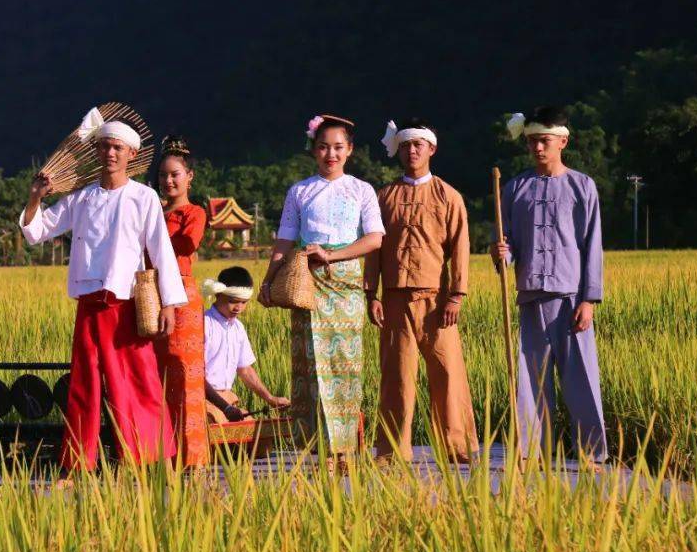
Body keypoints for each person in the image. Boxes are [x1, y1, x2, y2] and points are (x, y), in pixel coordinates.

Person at [19, 110, 186, 473]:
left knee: (137, 381)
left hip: (125, 305)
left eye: (117, 148)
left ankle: (148, 458)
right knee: (85, 385)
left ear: (131, 154)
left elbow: (161, 251)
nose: (110, 153)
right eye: (104, 146)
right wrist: (35, 197)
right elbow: (37, 231)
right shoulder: (81, 199)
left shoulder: (143, 197)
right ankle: (78, 464)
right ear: (95, 151)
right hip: (89, 304)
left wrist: (170, 303)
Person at [257, 115, 384, 471]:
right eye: (324, 147)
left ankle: (344, 450)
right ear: (313, 150)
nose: (331, 154)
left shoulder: (361, 190)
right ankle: (321, 451)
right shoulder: (299, 191)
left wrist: (333, 256)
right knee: (311, 367)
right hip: (307, 282)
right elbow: (284, 241)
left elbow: (374, 239)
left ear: (350, 150)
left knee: (344, 366)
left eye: (338, 147)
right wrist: (268, 281)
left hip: (345, 283)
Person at [491, 106, 607, 466]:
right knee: (531, 381)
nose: (538, 148)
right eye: (532, 142)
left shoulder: (582, 186)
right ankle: (532, 453)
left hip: (571, 298)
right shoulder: (514, 188)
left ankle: (592, 454)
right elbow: (508, 244)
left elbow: (592, 245)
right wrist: (502, 253)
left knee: (581, 379)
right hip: (530, 297)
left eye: (544, 141)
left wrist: (589, 300)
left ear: (562, 142)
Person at [363, 118, 478, 464]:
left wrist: (456, 295)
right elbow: (374, 249)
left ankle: (457, 446)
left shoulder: (448, 196)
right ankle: (392, 451)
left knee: (448, 372)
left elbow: (460, 248)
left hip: (437, 300)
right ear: (398, 150)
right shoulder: (384, 197)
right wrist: (371, 294)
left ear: (432, 149)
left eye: (418, 145)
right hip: (394, 299)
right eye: (406, 146)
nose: (412, 151)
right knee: (396, 376)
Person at [154, 135, 211, 468]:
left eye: (175, 174)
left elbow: (188, 244)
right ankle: (163, 454)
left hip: (182, 296)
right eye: (163, 175)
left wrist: (156, 236)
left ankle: (194, 458)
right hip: (150, 296)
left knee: (186, 376)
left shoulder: (194, 213)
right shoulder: (153, 212)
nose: (168, 181)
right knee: (157, 377)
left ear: (189, 177)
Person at [203, 266, 290, 424]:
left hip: (227, 399)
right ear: (218, 294)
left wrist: (270, 398)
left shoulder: (238, 328)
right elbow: (195, 376)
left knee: (256, 431)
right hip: (203, 401)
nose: (239, 308)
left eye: (244, 302)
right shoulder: (204, 324)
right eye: (233, 301)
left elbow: (245, 369)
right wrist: (226, 408)